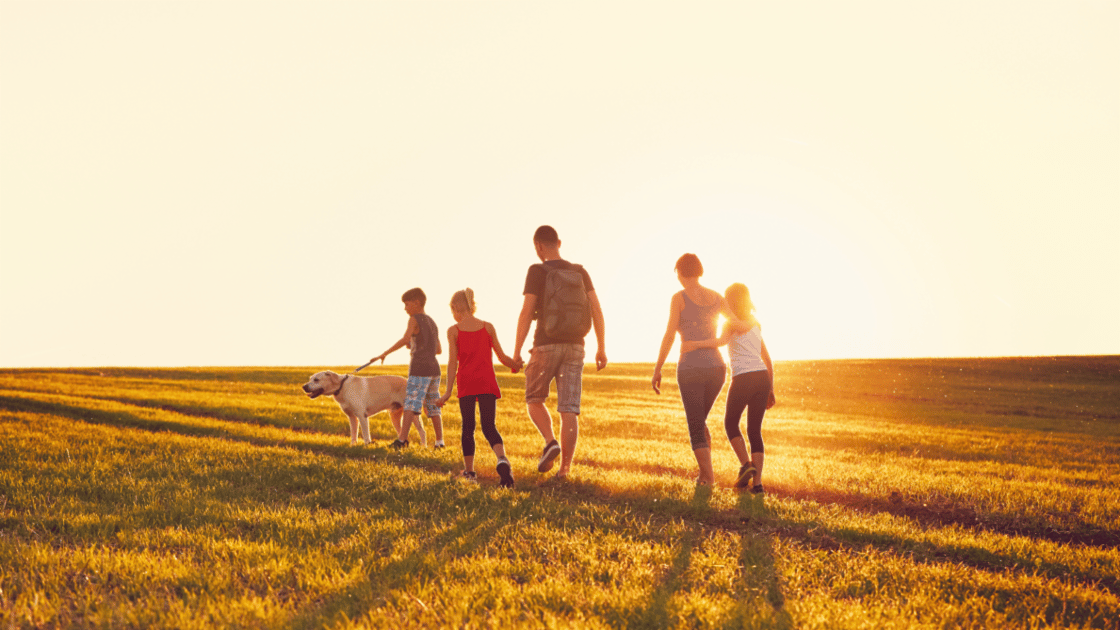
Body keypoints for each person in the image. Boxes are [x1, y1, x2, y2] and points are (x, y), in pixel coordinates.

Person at [513, 225, 607, 479]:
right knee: (569, 408)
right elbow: (597, 310)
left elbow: (526, 312)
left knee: (534, 399)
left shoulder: (537, 271)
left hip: (545, 343)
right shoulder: (580, 272)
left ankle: (549, 441)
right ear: (559, 243)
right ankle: (565, 469)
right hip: (576, 346)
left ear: (539, 246)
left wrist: (517, 350)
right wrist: (601, 347)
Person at [652, 254, 740, 486]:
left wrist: (657, 368)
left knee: (695, 423)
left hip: (690, 367)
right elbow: (734, 324)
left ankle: (708, 479)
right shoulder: (717, 298)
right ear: (699, 271)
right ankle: (704, 474)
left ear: (680, 273)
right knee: (699, 420)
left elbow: (670, 334)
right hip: (717, 369)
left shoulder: (678, 298)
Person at [682, 283, 775, 493]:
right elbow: (767, 359)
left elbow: (720, 342)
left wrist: (694, 344)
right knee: (754, 431)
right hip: (762, 378)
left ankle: (746, 464)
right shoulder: (755, 324)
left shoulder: (731, 324)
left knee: (730, 423)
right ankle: (758, 485)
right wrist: (771, 388)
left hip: (743, 378)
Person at [436, 288, 519, 487]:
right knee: (489, 426)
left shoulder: (453, 331)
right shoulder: (488, 327)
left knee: (468, 428)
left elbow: (452, 362)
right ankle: (501, 459)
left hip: (466, 384)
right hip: (487, 383)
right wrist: (515, 365)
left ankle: (470, 473)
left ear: (456, 308)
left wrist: (447, 392)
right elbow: (502, 356)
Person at [371, 287, 444, 449]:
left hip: (419, 369)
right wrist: (415, 344)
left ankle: (402, 440)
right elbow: (438, 350)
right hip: (434, 370)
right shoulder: (432, 322)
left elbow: (405, 339)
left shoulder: (414, 319)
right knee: (433, 406)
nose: (405, 309)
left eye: (406, 304)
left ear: (416, 303)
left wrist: (385, 353)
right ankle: (440, 442)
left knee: (411, 404)